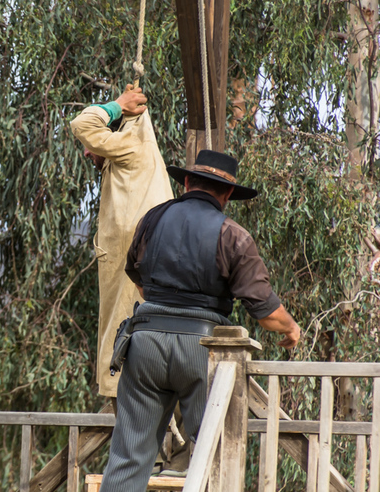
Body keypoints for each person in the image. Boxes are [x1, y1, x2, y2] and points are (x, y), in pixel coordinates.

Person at [99, 150, 301, 491]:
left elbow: (137, 276)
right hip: (204, 350)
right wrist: (291, 328)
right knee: (217, 451)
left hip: (145, 342)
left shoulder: (152, 219)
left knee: (129, 456)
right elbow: (266, 314)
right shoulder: (233, 235)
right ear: (226, 195)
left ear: (188, 182)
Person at [70, 85, 174, 398]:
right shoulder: (128, 158)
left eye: (93, 145)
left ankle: (122, 387)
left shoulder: (132, 144)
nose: (88, 152)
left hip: (136, 270)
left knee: (126, 334)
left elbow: (81, 125)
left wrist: (117, 106)